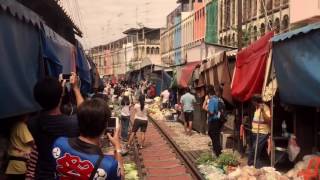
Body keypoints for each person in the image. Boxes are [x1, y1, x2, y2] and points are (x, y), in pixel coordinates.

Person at [27, 73, 83, 179]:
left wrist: (58, 91)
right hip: (66, 174)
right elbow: (84, 113)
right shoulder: (73, 124)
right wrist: (75, 89)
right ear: (60, 95)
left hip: (42, 174)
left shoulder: (32, 123)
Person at [52, 98, 122, 179]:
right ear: (105, 127)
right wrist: (117, 147)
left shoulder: (59, 144)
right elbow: (121, 177)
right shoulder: (109, 165)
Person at [5, 115, 34, 180]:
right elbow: (30, 141)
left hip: (15, 162)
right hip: (20, 164)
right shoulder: (21, 126)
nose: (28, 116)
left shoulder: (15, 125)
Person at [247, 94, 271, 168]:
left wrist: (263, 110)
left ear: (256, 102)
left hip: (262, 132)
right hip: (255, 132)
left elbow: (268, 120)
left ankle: (250, 164)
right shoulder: (256, 108)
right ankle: (267, 164)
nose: (252, 103)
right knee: (262, 150)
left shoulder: (265, 108)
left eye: (253, 101)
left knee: (255, 148)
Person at [206, 88, 222, 157]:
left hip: (213, 120)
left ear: (209, 94)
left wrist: (207, 110)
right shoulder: (218, 99)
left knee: (213, 136)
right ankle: (218, 150)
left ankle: (217, 152)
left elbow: (211, 112)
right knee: (216, 136)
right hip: (218, 120)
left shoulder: (212, 100)